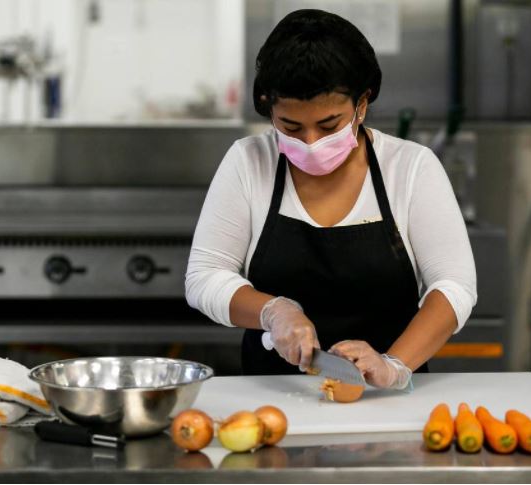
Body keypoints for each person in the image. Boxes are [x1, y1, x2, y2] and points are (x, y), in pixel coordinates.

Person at [186, 9, 476, 390]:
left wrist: (393, 365)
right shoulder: (248, 161)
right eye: (290, 126)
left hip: (385, 400)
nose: (310, 142)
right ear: (268, 106)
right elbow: (204, 277)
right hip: (274, 399)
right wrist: (273, 312)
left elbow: (453, 287)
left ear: (362, 104)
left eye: (329, 125)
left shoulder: (410, 168)